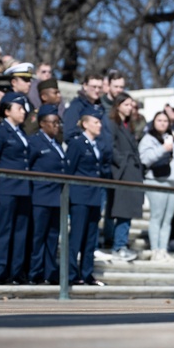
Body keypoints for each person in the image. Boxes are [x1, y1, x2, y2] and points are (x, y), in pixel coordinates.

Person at [0, 92, 32, 284]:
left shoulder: (22, 133)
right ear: (7, 111)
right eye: (19, 108)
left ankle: (16, 272)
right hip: (5, 188)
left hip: (22, 188)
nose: (23, 112)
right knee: (4, 231)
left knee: (20, 233)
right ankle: (0, 271)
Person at [65, 105, 108, 285]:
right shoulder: (76, 143)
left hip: (94, 196)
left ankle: (86, 272)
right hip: (80, 195)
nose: (99, 125)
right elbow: (69, 169)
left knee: (91, 238)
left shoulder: (97, 145)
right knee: (76, 237)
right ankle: (71, 274)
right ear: (85, 124)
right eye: (96, 122)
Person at [138, 110, 174, 262]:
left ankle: (163, 249)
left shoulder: (171, 139)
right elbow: (145, 159)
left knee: (168, 219)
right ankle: (155, 250)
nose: (163, 123)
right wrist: (163, 149)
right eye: (159, 120)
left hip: (173, 184)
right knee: (157, 217)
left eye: (165, 121)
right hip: (156, 181)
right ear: (154, 122)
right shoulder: (148, 139)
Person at [27, 104, 66, 284]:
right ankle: (35, 273)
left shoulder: (56, 144)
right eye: (52, 123)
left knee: (52, 237)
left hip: (55, 198)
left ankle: (49, 273)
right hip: (40, 197)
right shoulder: (35, 142)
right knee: (38, 237)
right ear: (42, 124)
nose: (56, 126)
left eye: (58, 123)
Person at [106, 92, 143, 261]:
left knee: (125, 211)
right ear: (118, 105)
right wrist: (122, 163)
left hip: (130, 172)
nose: (130, 108)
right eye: (127, 104)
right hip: (121, 173)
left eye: (132, 105)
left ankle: (120, 244)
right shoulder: (112, 124)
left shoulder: (129, 125)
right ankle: (118, 245)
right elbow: (110, 147)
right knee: (121, 210)